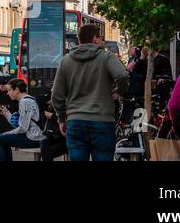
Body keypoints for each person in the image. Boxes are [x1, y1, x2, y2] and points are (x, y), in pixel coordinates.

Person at [49, 23, 129, 162]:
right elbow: (123, 75)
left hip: (75, 121)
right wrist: (118, 92)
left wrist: (61, 118)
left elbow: (56, 95)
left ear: (79, 40)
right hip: (102, 121)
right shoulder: (106, 58)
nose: (102, 41)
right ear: (94, 39)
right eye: (100, 38)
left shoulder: (66, 61)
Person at [0, 78, 45, 160]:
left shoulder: (24, 102)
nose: (8, 93)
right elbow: (21, 124)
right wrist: (7, 114)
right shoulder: (29, 99)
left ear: (17, 90)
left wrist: (9, 132)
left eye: (10, 90)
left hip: (35, 138)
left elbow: (23, 128)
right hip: (37, 136)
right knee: (2, 139)